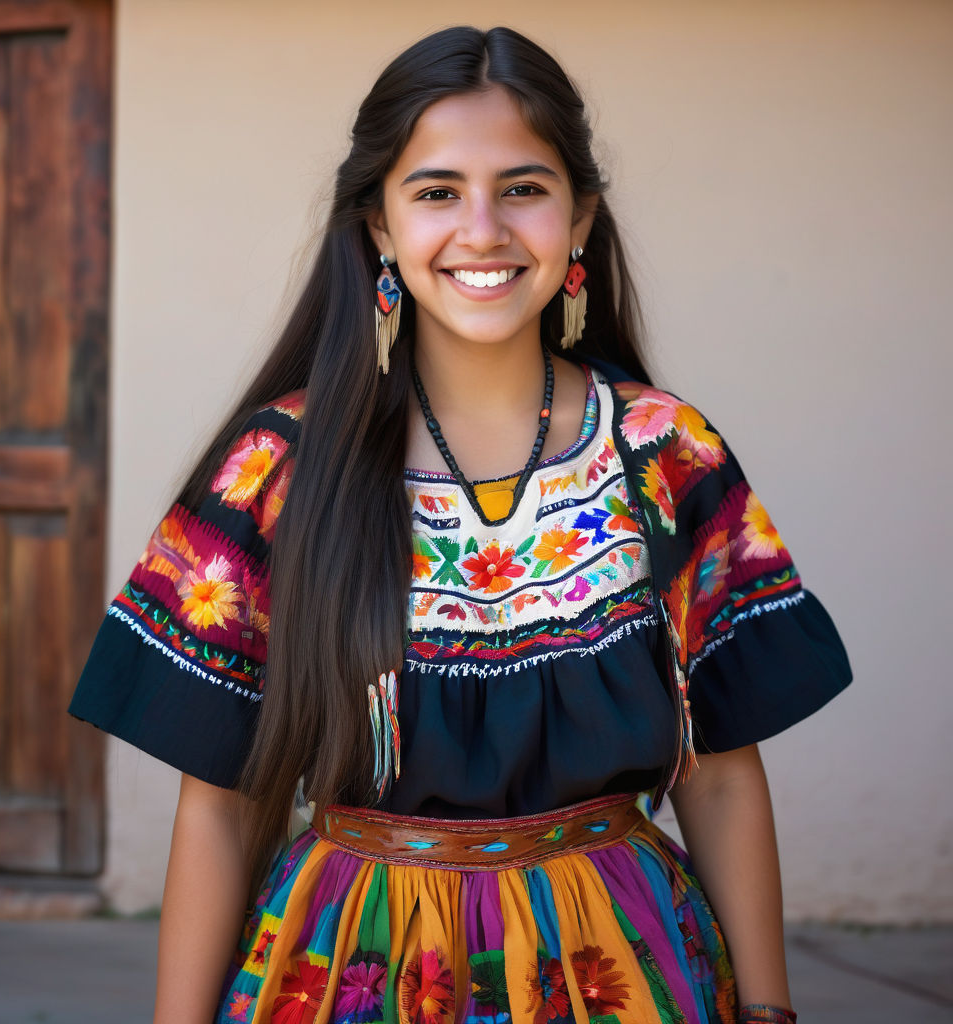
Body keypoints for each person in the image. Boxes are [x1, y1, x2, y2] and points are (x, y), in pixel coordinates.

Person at [70, 25, 851, 1024]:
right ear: (380, 229)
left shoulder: (667, 454)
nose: (481, 228)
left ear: (580, 221)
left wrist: (769, 1011)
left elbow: (724, 775)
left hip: (627, 972)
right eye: (435, 191)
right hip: (345, 973)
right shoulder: (278, 470)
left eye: (523, 187)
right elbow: (219, 804)